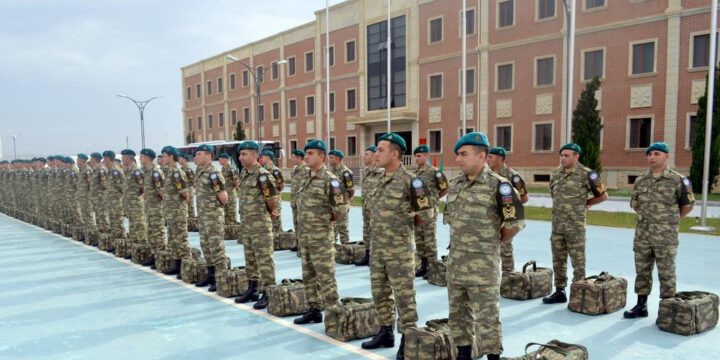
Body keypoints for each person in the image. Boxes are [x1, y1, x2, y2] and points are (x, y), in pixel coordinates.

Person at [445, 132, 525, 360]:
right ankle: (463, 354)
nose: (458, 159)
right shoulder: (455, 185)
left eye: (463, 154)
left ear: (481, 156)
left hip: (483, 266)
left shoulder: (501, 187)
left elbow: (514, 224)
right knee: (458, 316)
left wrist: (492, 241)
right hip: (456, 264)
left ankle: (492, 357)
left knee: (487, 318)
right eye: (457, 155)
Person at [361, 133, 432, 359]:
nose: (376, 154)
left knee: (404, 297)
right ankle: (385, 332)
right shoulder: (377, 179)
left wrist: (404, 227)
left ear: (394, 153)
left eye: (381, 150)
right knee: (379, 293)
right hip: (378, 249)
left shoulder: (412, 181)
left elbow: (426, 214)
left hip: (399, 251)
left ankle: (408, 339)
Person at [624, 142, 695, 319]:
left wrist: (670, 221)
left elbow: (687, 205)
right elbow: (635, 205)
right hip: (643, 235)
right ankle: (641, 306)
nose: (652, 157)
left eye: (656, 154)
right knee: (642, 271)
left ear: (666, 156)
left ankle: (668, 310)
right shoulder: (641, 180)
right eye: (649, 154)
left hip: (665, 236)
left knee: (667, 272)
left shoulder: (678, 180)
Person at [543, 143, 608, 304]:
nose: (563, 158)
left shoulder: (587, 174)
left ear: (576, 156)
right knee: (558, 259)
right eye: (562, 155)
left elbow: (602, 195)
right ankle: (560, 291)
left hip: (575, 226)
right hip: (557, 225)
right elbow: (554, 195)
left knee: (578, 261)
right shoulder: (556, 173)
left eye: (567, 155)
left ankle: (580, 293)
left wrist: (585, 203)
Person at [293, 140, 347, 324]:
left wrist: (325, 221)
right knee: (308, 275)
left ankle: (333, 314)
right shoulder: (306, 177)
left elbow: (341, 209)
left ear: (322, 157)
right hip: (305, 236)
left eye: (311, 153)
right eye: (306, 153)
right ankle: (314, 309)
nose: (306, 156)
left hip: (321, 238)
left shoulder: (331, 181)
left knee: (326, 277)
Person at [235, 142, 279, 309]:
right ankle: (253, 288)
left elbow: (272, 200)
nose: (240, 157)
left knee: (264, 259)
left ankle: (268, 291)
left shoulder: (263, 175)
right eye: (240, 155)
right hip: (247, 224)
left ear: (255, 155)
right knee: (250, 258)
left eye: (244, 154)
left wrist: (267, 211)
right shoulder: (244, 174)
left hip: (260, 224)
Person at [193, 144, 230, 292]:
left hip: (213, 216)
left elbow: (224, 197)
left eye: (199, 154)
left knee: (216, 247)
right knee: (206, 246)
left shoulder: (213, 173)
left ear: (209, 156)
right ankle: (211, 274)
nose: (196, 157)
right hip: (203, 216)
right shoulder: (199, 171)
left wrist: (214, 209)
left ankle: (221, 277)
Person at [487, 147, 529, 272]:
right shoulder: (487, 175)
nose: (487, 160)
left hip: (507, 218)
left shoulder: (513, 176)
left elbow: (524, 198)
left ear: (500, 158)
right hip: (491, 217)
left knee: (505, 249)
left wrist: (508, 209)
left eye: (490, 157)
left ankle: (508, 277)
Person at [409, 144, 448, 278]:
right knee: (419, 238)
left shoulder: (435, 172)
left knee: (429, 239)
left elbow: (445, 188)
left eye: (419, 156)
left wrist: (434, 199)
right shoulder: (415, 173)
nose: (416, 159)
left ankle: (432, 267)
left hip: (430, 210)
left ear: (426, 156)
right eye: (415, 156)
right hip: (417, 210)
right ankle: (423, 265)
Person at [160, 146, 192, 276]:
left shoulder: (176, 173)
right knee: (173, 240)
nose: (162, 159)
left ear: (171, 156)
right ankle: (177, 265)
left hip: (177, 212)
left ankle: (187, 268)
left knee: (181, 240)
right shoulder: (169, 171)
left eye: (164, 156)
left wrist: (178, 206)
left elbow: (185, 194)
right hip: (171, 212)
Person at [356, 145, 382, 266]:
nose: (363, 157)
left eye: (366, 154)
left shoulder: (381, 172)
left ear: (373, 156)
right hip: (366, 208)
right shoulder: (365, 172)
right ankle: (367, 254)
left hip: (376, 210)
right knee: (366, 231)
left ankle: (376, 256)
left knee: (377, 232)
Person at [140, 148, 166, 267]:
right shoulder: (145, 172)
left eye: (141, 157)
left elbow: (161, 191)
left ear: (146, 157)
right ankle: (153, 254)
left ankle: (160, 256)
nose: (140, 159)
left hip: (156, 207)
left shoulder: (155, 172)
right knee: (150, 231)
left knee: (158, 232)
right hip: (149, 207)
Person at [121, 149, 148, 258]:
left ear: (129, 158)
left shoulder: (136, 171)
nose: (122, 159)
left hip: (136, 203)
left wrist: (137, 197)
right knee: (132, 226)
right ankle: (135, 251)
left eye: (124, 157)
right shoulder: (126, 171)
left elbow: (143, 186)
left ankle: (142, 250)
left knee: (139, 226)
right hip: (129, 204)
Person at [328, 149, 355, 244]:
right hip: (332, 205)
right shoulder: (330, 171)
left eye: (331, 158)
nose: (329, 160)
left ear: (338, 158)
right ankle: (334, 250)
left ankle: (346, 250)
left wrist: (347, 199)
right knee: (333, 229)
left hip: (342, 205)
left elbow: (350, 189)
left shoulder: (346, 172)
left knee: (343, 229)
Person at [260, 149, 284, 239]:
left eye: (263, 157)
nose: (261, 158)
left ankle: (279, 239)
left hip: (275, 198)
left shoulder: (275, 170)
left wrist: (276, 192)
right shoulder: (262, 170)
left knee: (276, 220)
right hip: (266, 199)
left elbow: (281, 186)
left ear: (268, 157)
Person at [289, 149, 308, 244]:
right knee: (295, 223)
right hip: (294, 201)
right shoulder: (295, 169)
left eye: (293, 157)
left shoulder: (306, 170)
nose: (292, 159)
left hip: (301, 202)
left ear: (299, 158)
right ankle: (297, 243)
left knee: (302, 224)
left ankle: (302, 245)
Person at [218, 152, 239, 225]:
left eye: (220, 159)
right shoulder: (223, 169)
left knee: (231, 213)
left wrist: (235, 190)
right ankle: (227, 231)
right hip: (225, 194)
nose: (219, 161)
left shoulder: (231, 169)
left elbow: (236, 181)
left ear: (225, 159)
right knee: (225, 213)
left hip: (230, 194)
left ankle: (233, 231)